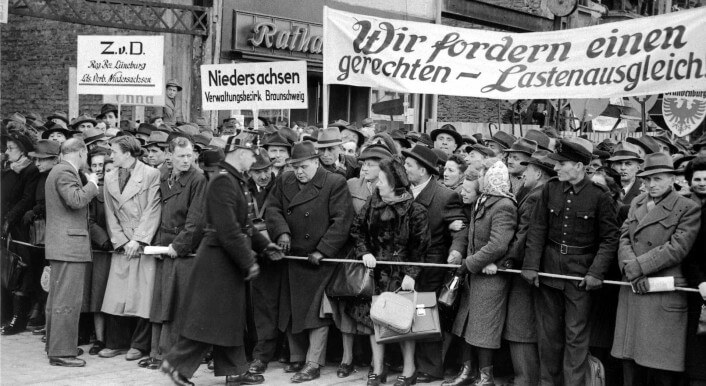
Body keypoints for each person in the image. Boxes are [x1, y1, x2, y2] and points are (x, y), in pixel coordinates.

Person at [161, 133, 284, 386]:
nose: (253, 161)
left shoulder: (233, 181)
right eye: (252, 155)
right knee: (209, 319)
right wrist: (248, 262)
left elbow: (245, 224)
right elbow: (228, 230)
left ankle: (235, 370)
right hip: (218, 263)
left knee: (228, 319)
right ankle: (175, 365)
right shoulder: (223, 182)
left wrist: (266, 245)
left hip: (225, 261)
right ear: (240, 153)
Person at [521, 139, 619, 385]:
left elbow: (609, 239)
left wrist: (596, 272)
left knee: (576, 337)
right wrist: (531, 265)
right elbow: (537, 229)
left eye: (561, 164)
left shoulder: (599, 196)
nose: (555, 169)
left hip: (581, 275)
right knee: (548, 335)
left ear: (578, 166)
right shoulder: (550, 189)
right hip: (550, 271)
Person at [265, 141, 354, 383]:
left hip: (319, 261)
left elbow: (342, 221)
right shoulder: (285, 181)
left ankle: (313, 362)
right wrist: (281, 232)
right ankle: (297, 356)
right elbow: (272, 209)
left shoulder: (334, 183)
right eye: (295, 167)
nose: (299, 172)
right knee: (292, 308)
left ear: (315, 162)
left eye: (303, 166)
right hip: (293, 255)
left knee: (317, 313)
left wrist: (323, 250)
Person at [612, 152, 700, 385]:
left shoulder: (687, 207)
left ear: (672, 179)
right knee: (631, 369)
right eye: (647, 179)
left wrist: (638, 267)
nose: (651, 184)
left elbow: (677, 248)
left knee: (659, 370)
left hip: (661, 294)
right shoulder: (637, 203)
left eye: (658, 178)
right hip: (634, 289)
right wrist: (631, 268)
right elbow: (623, 238)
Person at [351, 157, 431, 386]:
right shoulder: (372, 204)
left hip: (401, 275)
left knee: (404, 323)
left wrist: (411, 274)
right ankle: (377, 368)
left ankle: (409, 369)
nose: (377, 184)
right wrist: (364, 252)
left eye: (383, 181)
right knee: (373, 322)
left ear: (395, 184)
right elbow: (357, 230)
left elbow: (420, 246)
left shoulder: (416, 211)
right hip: (375, 272)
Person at [401, 144, 466, 383]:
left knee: (424, 314)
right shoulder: (403, 191)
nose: (405, 168)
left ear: (423, 170)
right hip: (405, 263)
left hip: (430, 267)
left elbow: (460, 228)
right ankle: (406, 363)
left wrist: (456, 251)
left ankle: (430, 367)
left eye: (409, 165)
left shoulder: (445, 196)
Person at [449, 161, 517, 386]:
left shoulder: (504, 205)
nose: (480, 178)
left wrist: (471, 263)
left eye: (483, 174)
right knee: (468, 323)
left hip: (489, 278)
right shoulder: (484, 199)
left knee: (484, 328)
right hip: (477, 273)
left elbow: (498, 244)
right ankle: (467, 371)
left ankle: (485, 377)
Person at [141, 137, 207, 370]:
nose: (186, 160)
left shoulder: (198, 179)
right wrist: (159, 244)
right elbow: (160, 212)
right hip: (164, 247)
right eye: (181, 156)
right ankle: (157, 353)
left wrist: (178, 247)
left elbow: (196, 221)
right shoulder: (165, 176)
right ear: (170, 157)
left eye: (190, 155)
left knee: (177, 306)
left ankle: (172, 356)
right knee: (161, 304)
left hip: (181, 251)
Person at [100, 135, 161, 361]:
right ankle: (115, 342)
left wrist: (138, 240)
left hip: (143, 241)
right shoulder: (109, 177)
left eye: (114, 151)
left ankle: (138, 344)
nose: (111, 155)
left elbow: (153, 209)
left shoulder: (150, 174)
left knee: (142, 295)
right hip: (122, 242)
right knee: (116, 294)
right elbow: (109, 212)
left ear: (127, 153)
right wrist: (121, 241)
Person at [500, 151, 556, 386]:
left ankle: (525, 379)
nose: (523, 173)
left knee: (519, 327)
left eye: (528, 169)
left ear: (539, 172)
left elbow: (525, 235)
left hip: (525, 270)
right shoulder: (542, 193)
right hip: (534, 269)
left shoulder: (535, 196)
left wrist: (506, 258)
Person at [44, 138, 100, 367]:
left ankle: (56, 345)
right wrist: (93, 185)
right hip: (69, 246)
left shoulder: (58, 170)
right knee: (68, 300)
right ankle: (62, 352)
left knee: (57, 299)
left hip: (62, 245)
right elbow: (76, 200)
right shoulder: (66, 172)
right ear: (81, 152)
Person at [247, 151, 284, 376]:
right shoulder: (243, 188)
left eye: (266, 170)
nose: (263, 175)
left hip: (272, 253)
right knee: (249, 307)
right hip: (247, 253)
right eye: (257, 171)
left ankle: (263, 355)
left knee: (267, 307)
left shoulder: (280, 186)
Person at [1, 132, 40, 333]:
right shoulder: (9, 169)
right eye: (6, 148)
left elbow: (26, 199)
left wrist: (9, 219)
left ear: (23, 151)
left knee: (21, 269)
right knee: (6, 269)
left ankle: (19, 318)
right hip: (6, 225)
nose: (7, 152)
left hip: (20, 227)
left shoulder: (30, 170)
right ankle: (6, 315)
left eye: (11, 149)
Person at [22, 140, 62, 333]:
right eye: (35, 159)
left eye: (42, 160)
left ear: (55, 160)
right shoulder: (39, 177)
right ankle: (43, 316)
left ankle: (49, 321)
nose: (37, 163)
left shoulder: (57, 177)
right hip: (39, 232)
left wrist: (36, 210)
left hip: (53, 231)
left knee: (51, 274)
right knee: (42, 272)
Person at [86, 148, 113, 356]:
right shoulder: (92, 189)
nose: (98, 169)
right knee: (98, 295)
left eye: (101, 165)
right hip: (101, 249)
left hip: (120, 247)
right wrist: (104, 240)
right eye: (94, 165)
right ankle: (100, 338)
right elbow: (89, 219)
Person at [683, 156, 706, 386]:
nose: (702, 183)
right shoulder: (686, 206)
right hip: (698, 288)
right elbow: (690, 252)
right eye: (697, 179)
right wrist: (700, 281)